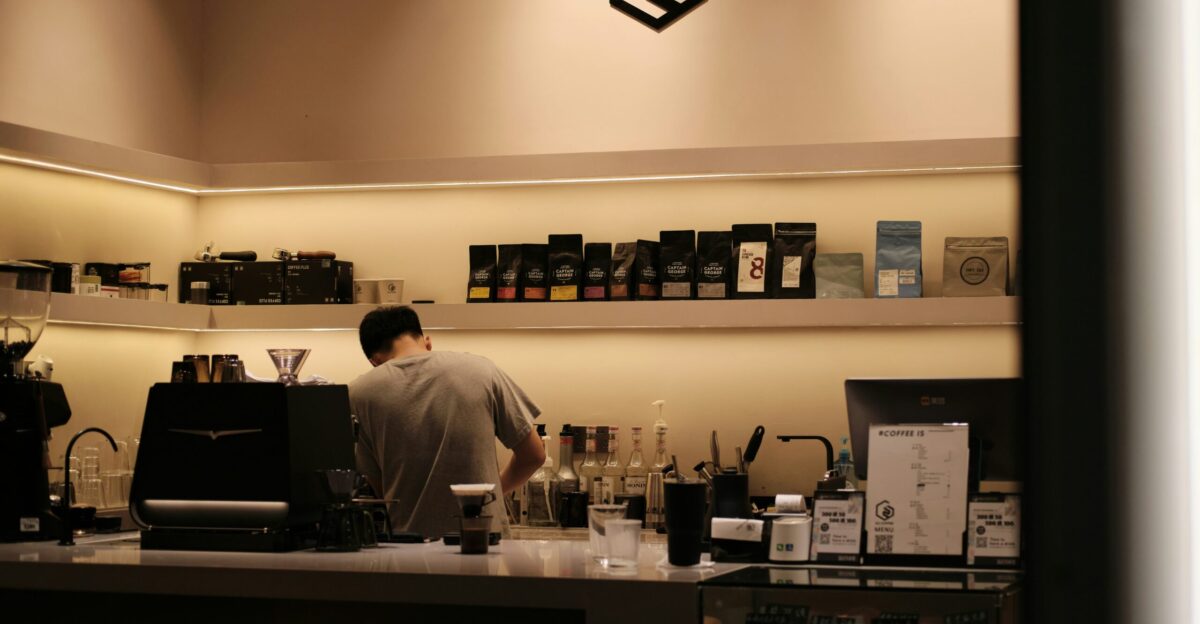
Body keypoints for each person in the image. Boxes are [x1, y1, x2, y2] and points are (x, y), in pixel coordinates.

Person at [349, 306, 545, 538]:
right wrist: (478, 498)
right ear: (428, 342)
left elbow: (380, 486)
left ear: (374, 361)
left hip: (408, 547)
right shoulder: (481, 370)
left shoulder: (357, 393)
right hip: (480, 539)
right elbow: (534, 456)